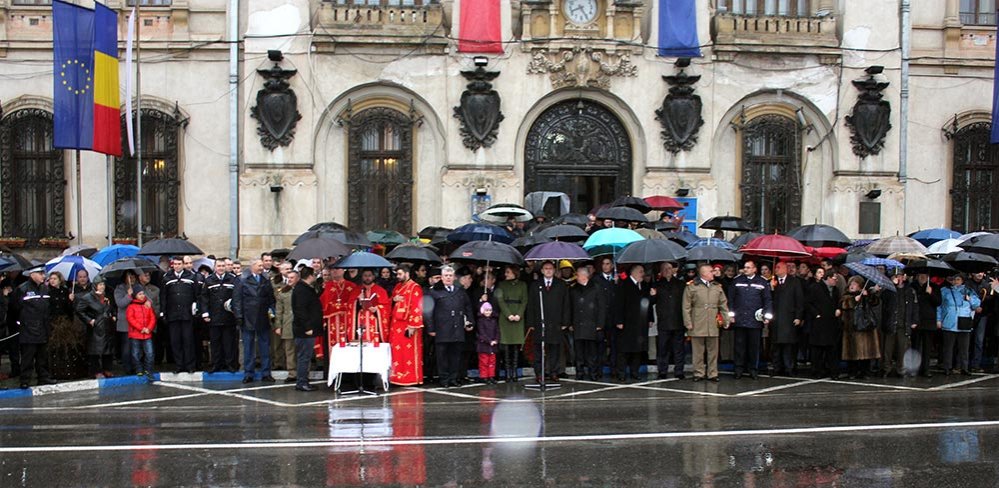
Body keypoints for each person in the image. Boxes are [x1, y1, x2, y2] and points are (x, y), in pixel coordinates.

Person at [427, 266, 474, 388]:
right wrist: (431, 328)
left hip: (457, 328)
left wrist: (470, 322)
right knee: (442, 356)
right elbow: (428, 311)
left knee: (455, 355)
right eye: (446, 275)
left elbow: (468, 307)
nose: (448, 278)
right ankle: (444, 379)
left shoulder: (459, 290)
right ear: (442, 278)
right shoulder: (434, 292)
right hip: (442, 329)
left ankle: (453, 378)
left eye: (450, 275)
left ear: (454, 277)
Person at [525, 261, 571, 384]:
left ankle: (554, 372)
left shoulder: (561, 284)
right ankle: (539, 373)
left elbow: (566, 304)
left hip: (556, 322)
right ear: (542, 271)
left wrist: (565, 321)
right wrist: (531, 323)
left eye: (550, 268)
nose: (548, 271)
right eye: (546, 268)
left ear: (554, 270)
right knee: (538, 349)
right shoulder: (536, 285)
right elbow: (531, 305)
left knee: (555, 349)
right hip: (540, 322)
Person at [682, 263, 729, 382]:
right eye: (711, 271)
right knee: (698, 350)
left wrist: (726, 319)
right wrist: (688, 322)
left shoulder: (717, 286)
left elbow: (723, 304)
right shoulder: (692, 286)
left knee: (713, 350)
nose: (713, 273)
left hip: (712, 321)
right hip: (697, 320)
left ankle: (713, 373)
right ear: (703, 273)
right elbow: (686, 306)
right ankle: (699, 373)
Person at [727, 260, 773, 380]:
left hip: (755, 320)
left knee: (754, 347)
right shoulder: (737, 281)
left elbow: (767, 300)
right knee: (739, 347)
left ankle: (753, 369)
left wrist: (767, 316)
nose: (745, 269)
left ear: (754, 269)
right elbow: (730, 299)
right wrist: (731, 315)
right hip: (740, 319)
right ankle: (738, 369)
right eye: (745, 267)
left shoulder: (762, 282)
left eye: (748, 267)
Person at [234, 259, 276, 383]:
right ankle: (248, 373)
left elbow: (270, 298)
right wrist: (239, 316)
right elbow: (237, 300)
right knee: (248, 347)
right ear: (252, 267)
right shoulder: (242, 280)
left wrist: (272, 312)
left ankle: (266, 372)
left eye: (262, 265)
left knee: (265, 346)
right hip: (248, 317)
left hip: (263, 317)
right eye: (259, 265)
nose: (262, 267)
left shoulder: (265, 280)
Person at [12, 266, 56, 389]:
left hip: (43, 327)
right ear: (32, 274)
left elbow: (49, 307)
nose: (43, 276)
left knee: (42, 356)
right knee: (28, 357)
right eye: (40, 273)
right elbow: (14, 309)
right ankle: (25, 379)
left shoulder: (45, 289)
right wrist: (21, 324)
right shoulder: (22, 289)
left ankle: (43, 377)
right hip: (28, 329)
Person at [613, 264, 654, 382]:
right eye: (641, 272)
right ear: (634, 273)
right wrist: (619, 321)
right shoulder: (624, 285)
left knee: (638, 349)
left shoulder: (645, 286)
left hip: (641, 323)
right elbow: (619, 304)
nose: (643, 274)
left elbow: (648, 304)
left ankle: (634, 371)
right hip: (627, 322)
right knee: (624, 350)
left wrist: (650, 318)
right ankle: (621, 372)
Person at [162, 256, 200, 374]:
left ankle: (190, 366)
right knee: (175, 341)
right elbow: (163, 296)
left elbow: (197, 294)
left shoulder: (191, 277)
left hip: (187, 314)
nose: (177, 266)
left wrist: (196, 307)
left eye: (179, 264)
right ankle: (179, 365)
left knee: (188, 340)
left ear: (183, 265)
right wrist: (163, 312)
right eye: (175, 264)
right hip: (173, 314)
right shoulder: (167, 278)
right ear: (172, 265)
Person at [200, 259, 239, 373]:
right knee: (215, 343)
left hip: (229, 317)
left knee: (228, 343)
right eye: (219, 266)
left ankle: (230, 365)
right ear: (215, 267)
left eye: (223, 266)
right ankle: (216, 365)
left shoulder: (232, 279)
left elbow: (236, 297)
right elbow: (204, 298)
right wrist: (205, 313)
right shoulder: (209, 280)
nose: (221, 268)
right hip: (214, 317)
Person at [840, 276, 882, 379]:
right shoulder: (846, 296)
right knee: (852, 351)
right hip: (851, 327)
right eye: (851, 284)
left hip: (865, 326)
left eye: (854, 284)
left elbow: (875, 302)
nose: (852, 286)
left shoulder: (865, 294)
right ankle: (852, 372)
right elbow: (844, 304)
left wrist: (870, 295)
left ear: (860, 286)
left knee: (866, 350)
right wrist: (854, 299)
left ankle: (865, 371)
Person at [938, 274, 980, 376]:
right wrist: (938, 319)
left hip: (964, 322)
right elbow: (939, 306)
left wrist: (969, 299)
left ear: (962, 281)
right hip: (949, 321)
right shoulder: (944, 291)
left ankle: (964, 367)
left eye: (958, 279)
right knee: (948, 347)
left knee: (964, 348)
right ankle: (947, 367)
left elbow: (977, 304)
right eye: (953, 279)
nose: (956, 281)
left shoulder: (968, 290)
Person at [389, 264, 424, 386]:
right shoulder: (398, 286)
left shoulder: (415, 287)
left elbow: (417, 307)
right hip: (396, 324)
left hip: (407, 324)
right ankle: (398, 376)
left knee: (408, 352)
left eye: (400, 274)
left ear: (407, 273)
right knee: (398, 352)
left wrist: (413, 325)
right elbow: (391, 301)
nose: (398, 277)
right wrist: (393, 300)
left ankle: (411, 377)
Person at [569, 266, 606, 380]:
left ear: (585, 276)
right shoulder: (573, 289)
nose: (576, 277)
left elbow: (602, 307)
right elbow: (570, 307)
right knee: (578, 352)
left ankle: (593, 373)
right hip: (578, 324)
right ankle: (579, 373)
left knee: (592, 353)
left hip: (592, 324)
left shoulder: (596, 288)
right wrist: (570, 323)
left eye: (578, 275)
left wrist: (600, 324)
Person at [75, 276, 115, 379]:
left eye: (103, 284)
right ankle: (96, 371)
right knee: (95, 350)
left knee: (108, 349)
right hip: (96, 326)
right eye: (100, 285)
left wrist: (113, 315)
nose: (102, 287)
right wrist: (89, 320)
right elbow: (79, 310)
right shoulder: (88, 297)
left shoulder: (106, 297)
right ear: (95, 286)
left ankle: (107, 369)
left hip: (107, 325)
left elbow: (111, 309)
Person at [880, 270, 917, 378]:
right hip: (891, 323)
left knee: (902, 348)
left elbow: (914, 307)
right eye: (896, 276)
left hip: (903, 324)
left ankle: (901, 369)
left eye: (900, 276)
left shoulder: (910, 290)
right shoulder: (888, 289)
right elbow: (883, 298)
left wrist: (914, 320)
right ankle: (886, 368)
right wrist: (891, 286)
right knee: (887, 349)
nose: (899, 278)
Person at [805, 268, 842, 379]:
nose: (836, 281)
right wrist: (816, 314)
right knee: (818, 350)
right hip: (819, 323)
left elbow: (838, 302)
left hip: (831, 323)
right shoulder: (815, 288)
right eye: (834, 278)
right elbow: (808, 303)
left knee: (831, 350)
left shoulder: (836, 290)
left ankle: (832, 371)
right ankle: (817, 371)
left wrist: (838, 309)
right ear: (828, 278)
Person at [770, 262, 804, 376]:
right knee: (776, 346)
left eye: (779, 267)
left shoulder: (794, 282)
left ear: (785, 269)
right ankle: (777, 368)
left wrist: (798, 316)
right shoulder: (773, 282)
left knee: (788, 346)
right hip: (776, 319)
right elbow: (769, 300)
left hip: (789, 318)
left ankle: (789, 368)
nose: (776, 269)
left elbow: (799, 300)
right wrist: (772, 288)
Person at [653, 262, 686, 379]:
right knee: (663, 348)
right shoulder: (657, 285)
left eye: (669, 268)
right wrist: (652, 295)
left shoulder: (681, 284)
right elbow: (652, 301)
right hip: (664, 321)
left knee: (679, 348)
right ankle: (662, 370)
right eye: (664, 269)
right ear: (661, 271)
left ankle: (679, 370)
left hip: (678, 320)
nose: (667, 271)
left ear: (673, 270)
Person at [291, 268, 322, 392]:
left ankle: (304, 380)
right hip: (304, 330)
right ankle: (302, 382)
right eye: (314, 275)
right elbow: (300, 310)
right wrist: (307, 327)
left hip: (307, 328)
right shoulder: (301, 290)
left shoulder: (306, 288)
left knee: (306, 356)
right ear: (310, 276)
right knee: (304, 356)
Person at [495, 266, 527, 382]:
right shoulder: (502, 284)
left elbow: (524, 301)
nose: (506, 274)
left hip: (518, 315)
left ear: (515, 273)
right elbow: (500, 300)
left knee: (516, 346)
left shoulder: (522, 285)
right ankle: (508, 372)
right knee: (507, 345)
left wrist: (519, 314)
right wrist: (508, 314)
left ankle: (515, 372)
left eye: (508, 272)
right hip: (505, 316)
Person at [592, 257, 618, 380]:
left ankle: (614, 369)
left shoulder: (617, 278)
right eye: (603, 264)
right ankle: (599, 370)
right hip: (600, 318)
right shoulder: (596, 279)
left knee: (614, 345)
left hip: (613, 318)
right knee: (600, 346)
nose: (605, 266)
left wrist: (617, 283)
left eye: (608, 264)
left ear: (612, 265)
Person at [321, 265, 359, 347]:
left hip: (347, 319)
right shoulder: (327, 286)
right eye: (333, 269)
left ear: (343, 270)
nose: (334, 271)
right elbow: (323, 303)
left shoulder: (351, 286)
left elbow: (355, 303)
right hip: (331, 321)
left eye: (337, 269)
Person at [913, 272, 942, 377]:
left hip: (929, 321)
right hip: (916, 320)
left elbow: (938, 302)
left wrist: (931, 293)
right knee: (915, 346)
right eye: (920, 275)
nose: (922, 277)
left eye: (925, 276)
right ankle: (914, 369)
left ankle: (925, 369)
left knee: (927, 347)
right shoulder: (913, 286)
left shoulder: (934, 287)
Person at [127, 286, 157, 383]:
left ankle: (148, 369)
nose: (142, 295)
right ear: (135, 295)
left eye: (143, 293)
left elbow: (152, 318)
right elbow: (131, 319)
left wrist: (149, 328)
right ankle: (139, 369)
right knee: (136, 353)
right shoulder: (131, 306)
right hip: (136, 334)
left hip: (147, 334)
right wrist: (141, 328)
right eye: (140, 294)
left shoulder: (147, 305)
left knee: (150, 353)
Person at [350, 269, 389, 345]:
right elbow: (350, 306)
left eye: (369, 276)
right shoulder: (356, 290)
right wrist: (358, 300)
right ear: (362, 277)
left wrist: (377, 309)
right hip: (360, 320)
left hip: (375, 321)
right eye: (365, 276)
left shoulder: (381, 290)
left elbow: (386, 307)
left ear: (373, 277)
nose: (367, 278)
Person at [272, 267, 298, 382]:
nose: (290, 280)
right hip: (288, 323)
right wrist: (278, 325)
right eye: (288, 278)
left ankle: (303, 372)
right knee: (289, 350)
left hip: (301, 324)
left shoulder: (304, 290)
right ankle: (292, 373)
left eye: (292, 278)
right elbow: (279, 310)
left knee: (302, 350)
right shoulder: (283, 292)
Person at [113, 271, 139, 374]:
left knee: (136, 346)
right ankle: (128, 368)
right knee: (127, 347)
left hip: (136, 322)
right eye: (129, 277)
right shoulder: (119, 289)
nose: (131, 279)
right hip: (125, 323)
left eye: (133, 277)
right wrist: (128, 296)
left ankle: (137, 366)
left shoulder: (137, 287)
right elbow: (120, 303)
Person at [966, 271, 992, 373]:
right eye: (977, 272)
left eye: (981, 272)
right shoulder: (967, 284)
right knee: (966, 340)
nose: (979, 274)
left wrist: (982, 307)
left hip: (982, 315)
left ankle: (976, 364)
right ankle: (964, 363)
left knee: (979, 340)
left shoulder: (986, 285)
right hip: (969, 314)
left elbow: (990, 299)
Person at [476, 301, 499, 384]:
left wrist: (496, 340)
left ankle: (491, 376)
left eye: (489, 310)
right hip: (483, 346)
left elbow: (497, 331)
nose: (488, 312)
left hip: (493, 345)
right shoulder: (480, 321)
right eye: (486, 310)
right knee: (484, 362)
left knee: (492, 362)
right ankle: (484, 376)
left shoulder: (494, 320)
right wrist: (489, 341)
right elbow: (481, 333)